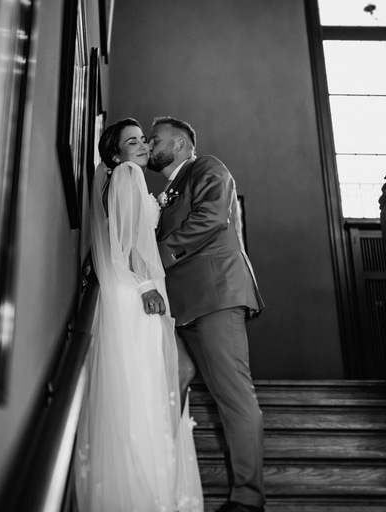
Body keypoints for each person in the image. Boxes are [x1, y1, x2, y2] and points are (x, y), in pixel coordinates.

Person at [74, 118, 204, 512]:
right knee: (150, 382)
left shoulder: (117, 177)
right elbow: (130, 237)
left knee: (139, 385)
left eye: (144, 139)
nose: (143, 145)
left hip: (123, 290)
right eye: (133, 142)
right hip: (136, 290)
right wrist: (147, 285)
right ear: (117, 154)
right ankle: (150, 491)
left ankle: (135, 489)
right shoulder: (129, 174)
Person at [148, 116, 266, 512]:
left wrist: (155, 257)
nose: (149, 144)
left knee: (233, 395)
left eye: (155, 138)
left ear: (180, 144)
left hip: (215, 295)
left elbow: (211, 218)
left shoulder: (208, 167)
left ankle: (248, 500)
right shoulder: (167, 190)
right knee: (175, 379)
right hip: (181, 310)